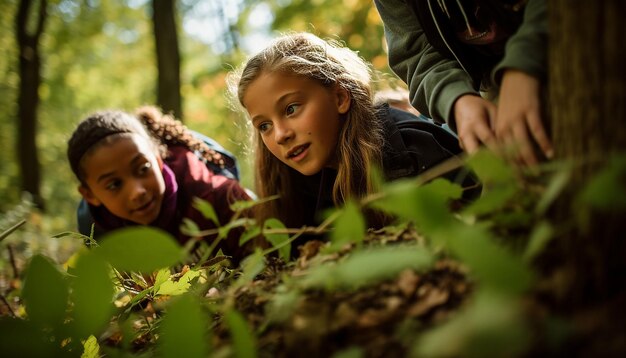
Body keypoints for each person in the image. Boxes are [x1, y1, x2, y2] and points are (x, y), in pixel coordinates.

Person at [227, 32, 479, 254]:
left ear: (339, 97)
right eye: (264, 126)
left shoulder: (412, 150)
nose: (280, 135)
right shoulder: (292, 187)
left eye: (291, 108)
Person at [373, 0, 553, 166]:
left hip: (555, 47)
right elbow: (416, 53)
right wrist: (458, 99)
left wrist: (522, 64)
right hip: (488, 87)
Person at [67, 106, 253, 263]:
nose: (137, 192)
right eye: (114, 185)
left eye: (143, 168)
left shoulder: (218, 195)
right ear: (90, 195)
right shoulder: (98, 233)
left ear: (158, 160)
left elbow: (265, 260)